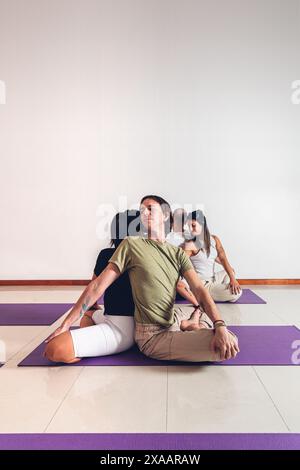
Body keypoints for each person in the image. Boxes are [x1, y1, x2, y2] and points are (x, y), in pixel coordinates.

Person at [45, 195, 239, 363]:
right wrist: (65, 324)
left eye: (149, 208)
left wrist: (220, 325)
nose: (143, 212)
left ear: (164, 215)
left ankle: (192, 324)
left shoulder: (177, 253)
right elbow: (97, 286)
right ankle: (192, 327)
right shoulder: (132, 245)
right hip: (152, 335)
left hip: (170, 318)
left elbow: (200, 290)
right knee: (223, 347)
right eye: (141, 210)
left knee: (223, 333)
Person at [44, 210, 139, 363]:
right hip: (122, 323)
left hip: (123, 330)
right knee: (89, 312)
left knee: (54, 349)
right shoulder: (112, 255)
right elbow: (94, 288)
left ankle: (88, 345)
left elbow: (94, 288)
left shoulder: (108, 254)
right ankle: (91, 341)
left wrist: (66, 326)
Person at [182, 210, 242, 303]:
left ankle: (218, 290)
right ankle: (205, 293)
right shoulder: (190, 244)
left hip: (213, 279)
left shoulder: (214, 239)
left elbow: (222, 259)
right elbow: (181, 263)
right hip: (201, 284)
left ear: (202, 225)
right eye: (189, 226)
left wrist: (233, 280)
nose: (190, 229)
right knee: (237, 293)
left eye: (193, 225)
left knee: (231, 271)